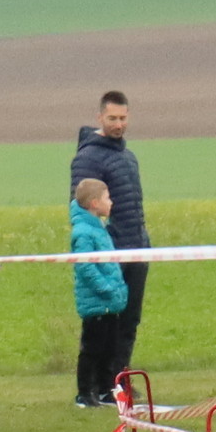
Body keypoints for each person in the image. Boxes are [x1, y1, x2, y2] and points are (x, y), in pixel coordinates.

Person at [68, 90, 149, 390]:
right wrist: (104, 243)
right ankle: (97, 386)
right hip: (109, 252)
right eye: (112, 118)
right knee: (105, 324)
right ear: (100, 117)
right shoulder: (87, 158)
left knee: (129, 321)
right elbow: (81, 207)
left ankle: (119, 380)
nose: (118, 124)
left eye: (123, 118)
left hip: (137, 248)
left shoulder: (128, 157)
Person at [68, 175, 127, 410]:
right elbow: (85, 266)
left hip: (110, 302)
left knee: (109, 349)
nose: (111, 202)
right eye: (107, 198)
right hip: (96, 302)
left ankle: (105, 390)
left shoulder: (99, 228)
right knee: (92, 350)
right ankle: (84, 393)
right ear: (94, 203)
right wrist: (105, 287)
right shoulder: (83, 232)